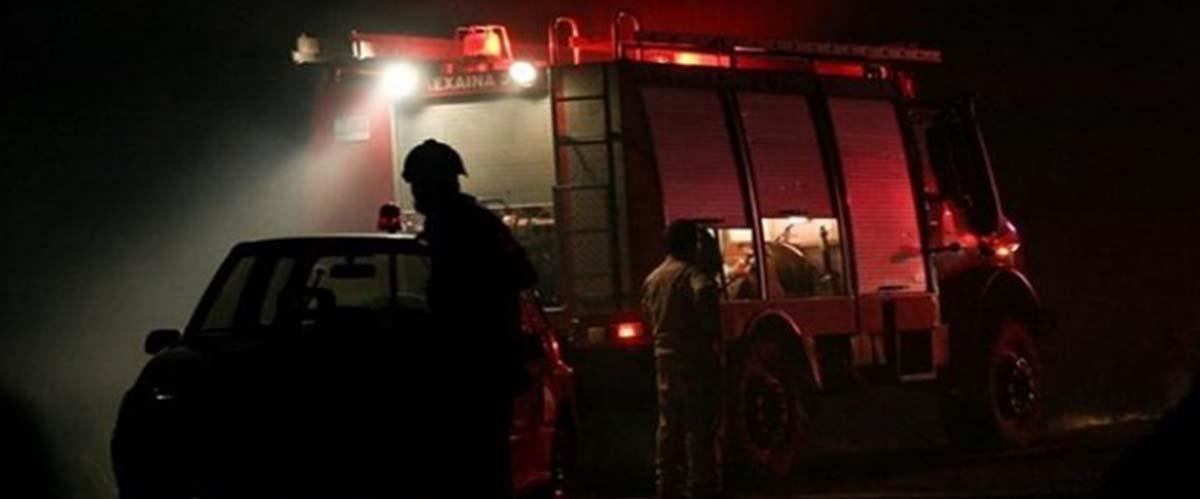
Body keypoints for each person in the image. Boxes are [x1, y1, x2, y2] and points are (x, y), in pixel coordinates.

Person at [402, 138, 536, 498]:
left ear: (434, 182)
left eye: (418, 184)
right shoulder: (475, 224)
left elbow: (449, 305)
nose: (415, 194)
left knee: (471, 466)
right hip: (485, 369)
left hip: (470, 370)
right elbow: (524, 274)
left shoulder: (458, 228)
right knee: (485, 465)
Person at [642, 220, 724, 499]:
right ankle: (702, 483)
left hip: (663, 359)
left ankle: (666, 481)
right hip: (694, 359)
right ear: (692, 245)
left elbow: (648, 317)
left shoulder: (653, 279)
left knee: (668, 423)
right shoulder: (694, 276)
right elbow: (708, 312)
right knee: (699, 423)